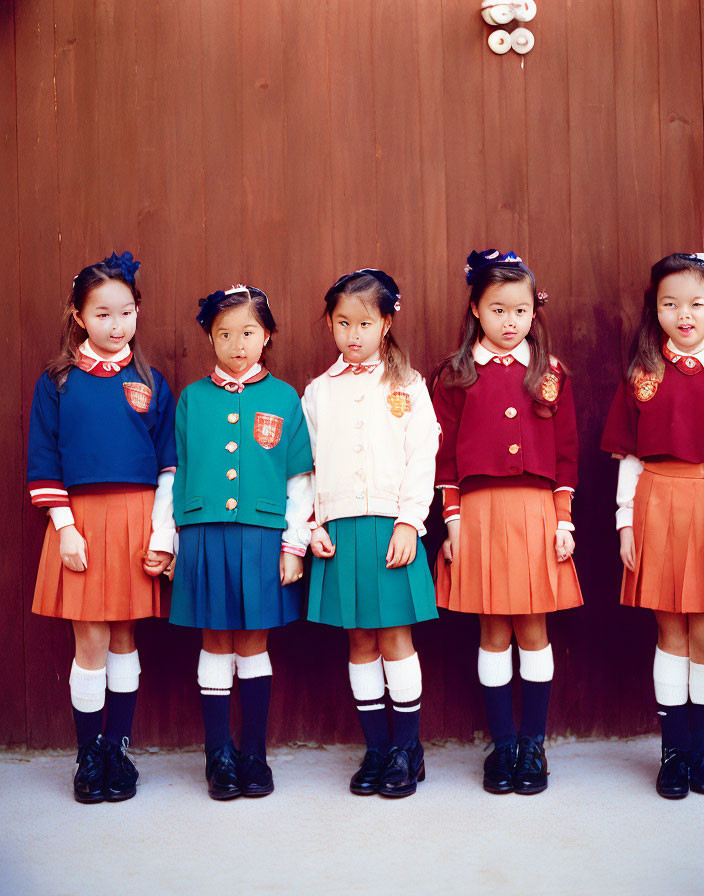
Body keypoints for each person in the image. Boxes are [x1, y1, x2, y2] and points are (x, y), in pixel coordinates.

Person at [28, 251, 176, 803]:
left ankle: (117, 749)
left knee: (123, 635)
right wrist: (64, 526)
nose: (117, 326)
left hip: (137, 520)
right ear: (79, 316)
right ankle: (88, 757)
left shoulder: (151, 381)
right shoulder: (58, 382)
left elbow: (169, 466)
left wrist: (162, 533)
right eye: (103, 314)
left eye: (127, 312)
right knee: (89, 638)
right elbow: (43, 461)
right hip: (82, 523)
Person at [433, 249, 582, 795]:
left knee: (534, 629)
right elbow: (443, 457)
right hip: (478, 513)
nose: (510, 322)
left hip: (537, 512)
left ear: (532, 313)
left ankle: (533, 744)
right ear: (476, 309)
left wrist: (563, 520)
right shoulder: (454, 375)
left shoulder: (553, 373)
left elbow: (566, 457)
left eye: (521, 312)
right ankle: (503, 745)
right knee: (493, 629)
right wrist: (451, 520)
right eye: (497, 310)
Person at [170, 284, 313, 800]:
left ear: (267, 335)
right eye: (225, 333)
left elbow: (300, 480)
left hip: (261, 538)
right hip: (205, 536)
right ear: (210, 336)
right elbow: (175, 473)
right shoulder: (192, 398)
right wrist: (168, 541)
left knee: (253, 642)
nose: (237, 343)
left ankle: (253, 752)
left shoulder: (284, 397)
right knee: (214, 641)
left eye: (248, 332)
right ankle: (219, 756)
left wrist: (293, 546)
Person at [302, 269, 439, 798]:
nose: (353, 334)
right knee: (358, 639)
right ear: (331, 326)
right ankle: (377, 749)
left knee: (395, 638)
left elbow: (421, 455)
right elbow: (306, 466)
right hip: (339, 531)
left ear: (385, 323)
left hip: (391, 528)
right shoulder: (317, 392)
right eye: (342, 323)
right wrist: (312, 524)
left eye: (364, 322)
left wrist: (410, 520)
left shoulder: (407, 384)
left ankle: (408, 749)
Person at [602, 252, 704, 799]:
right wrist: (625, 523)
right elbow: (630, 459)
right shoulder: (643, 375)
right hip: (657, 505)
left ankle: (702, 748)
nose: (683, 314)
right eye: (670, 304)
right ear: (655, 310)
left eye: (696, 304)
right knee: (670, 629)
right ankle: (673, 752)